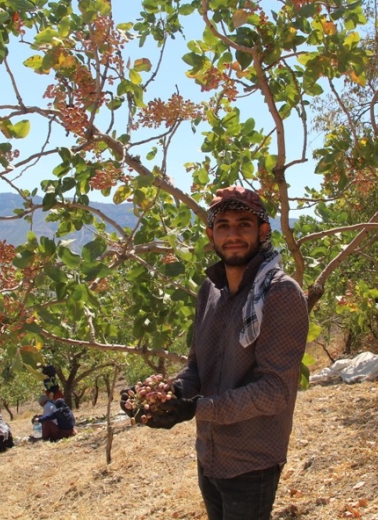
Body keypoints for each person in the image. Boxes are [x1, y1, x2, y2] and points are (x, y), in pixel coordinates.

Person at [122, 186, 309, 520]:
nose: (233, 234)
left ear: (263, 231)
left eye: (244, 224)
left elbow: (275, 391)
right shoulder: (209, 290)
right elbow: (198, 366)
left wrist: (197, 409)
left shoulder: (280, 294)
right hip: (209, 453)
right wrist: (166, 395)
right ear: (211, 235)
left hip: (252, 460)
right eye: (223, 225)